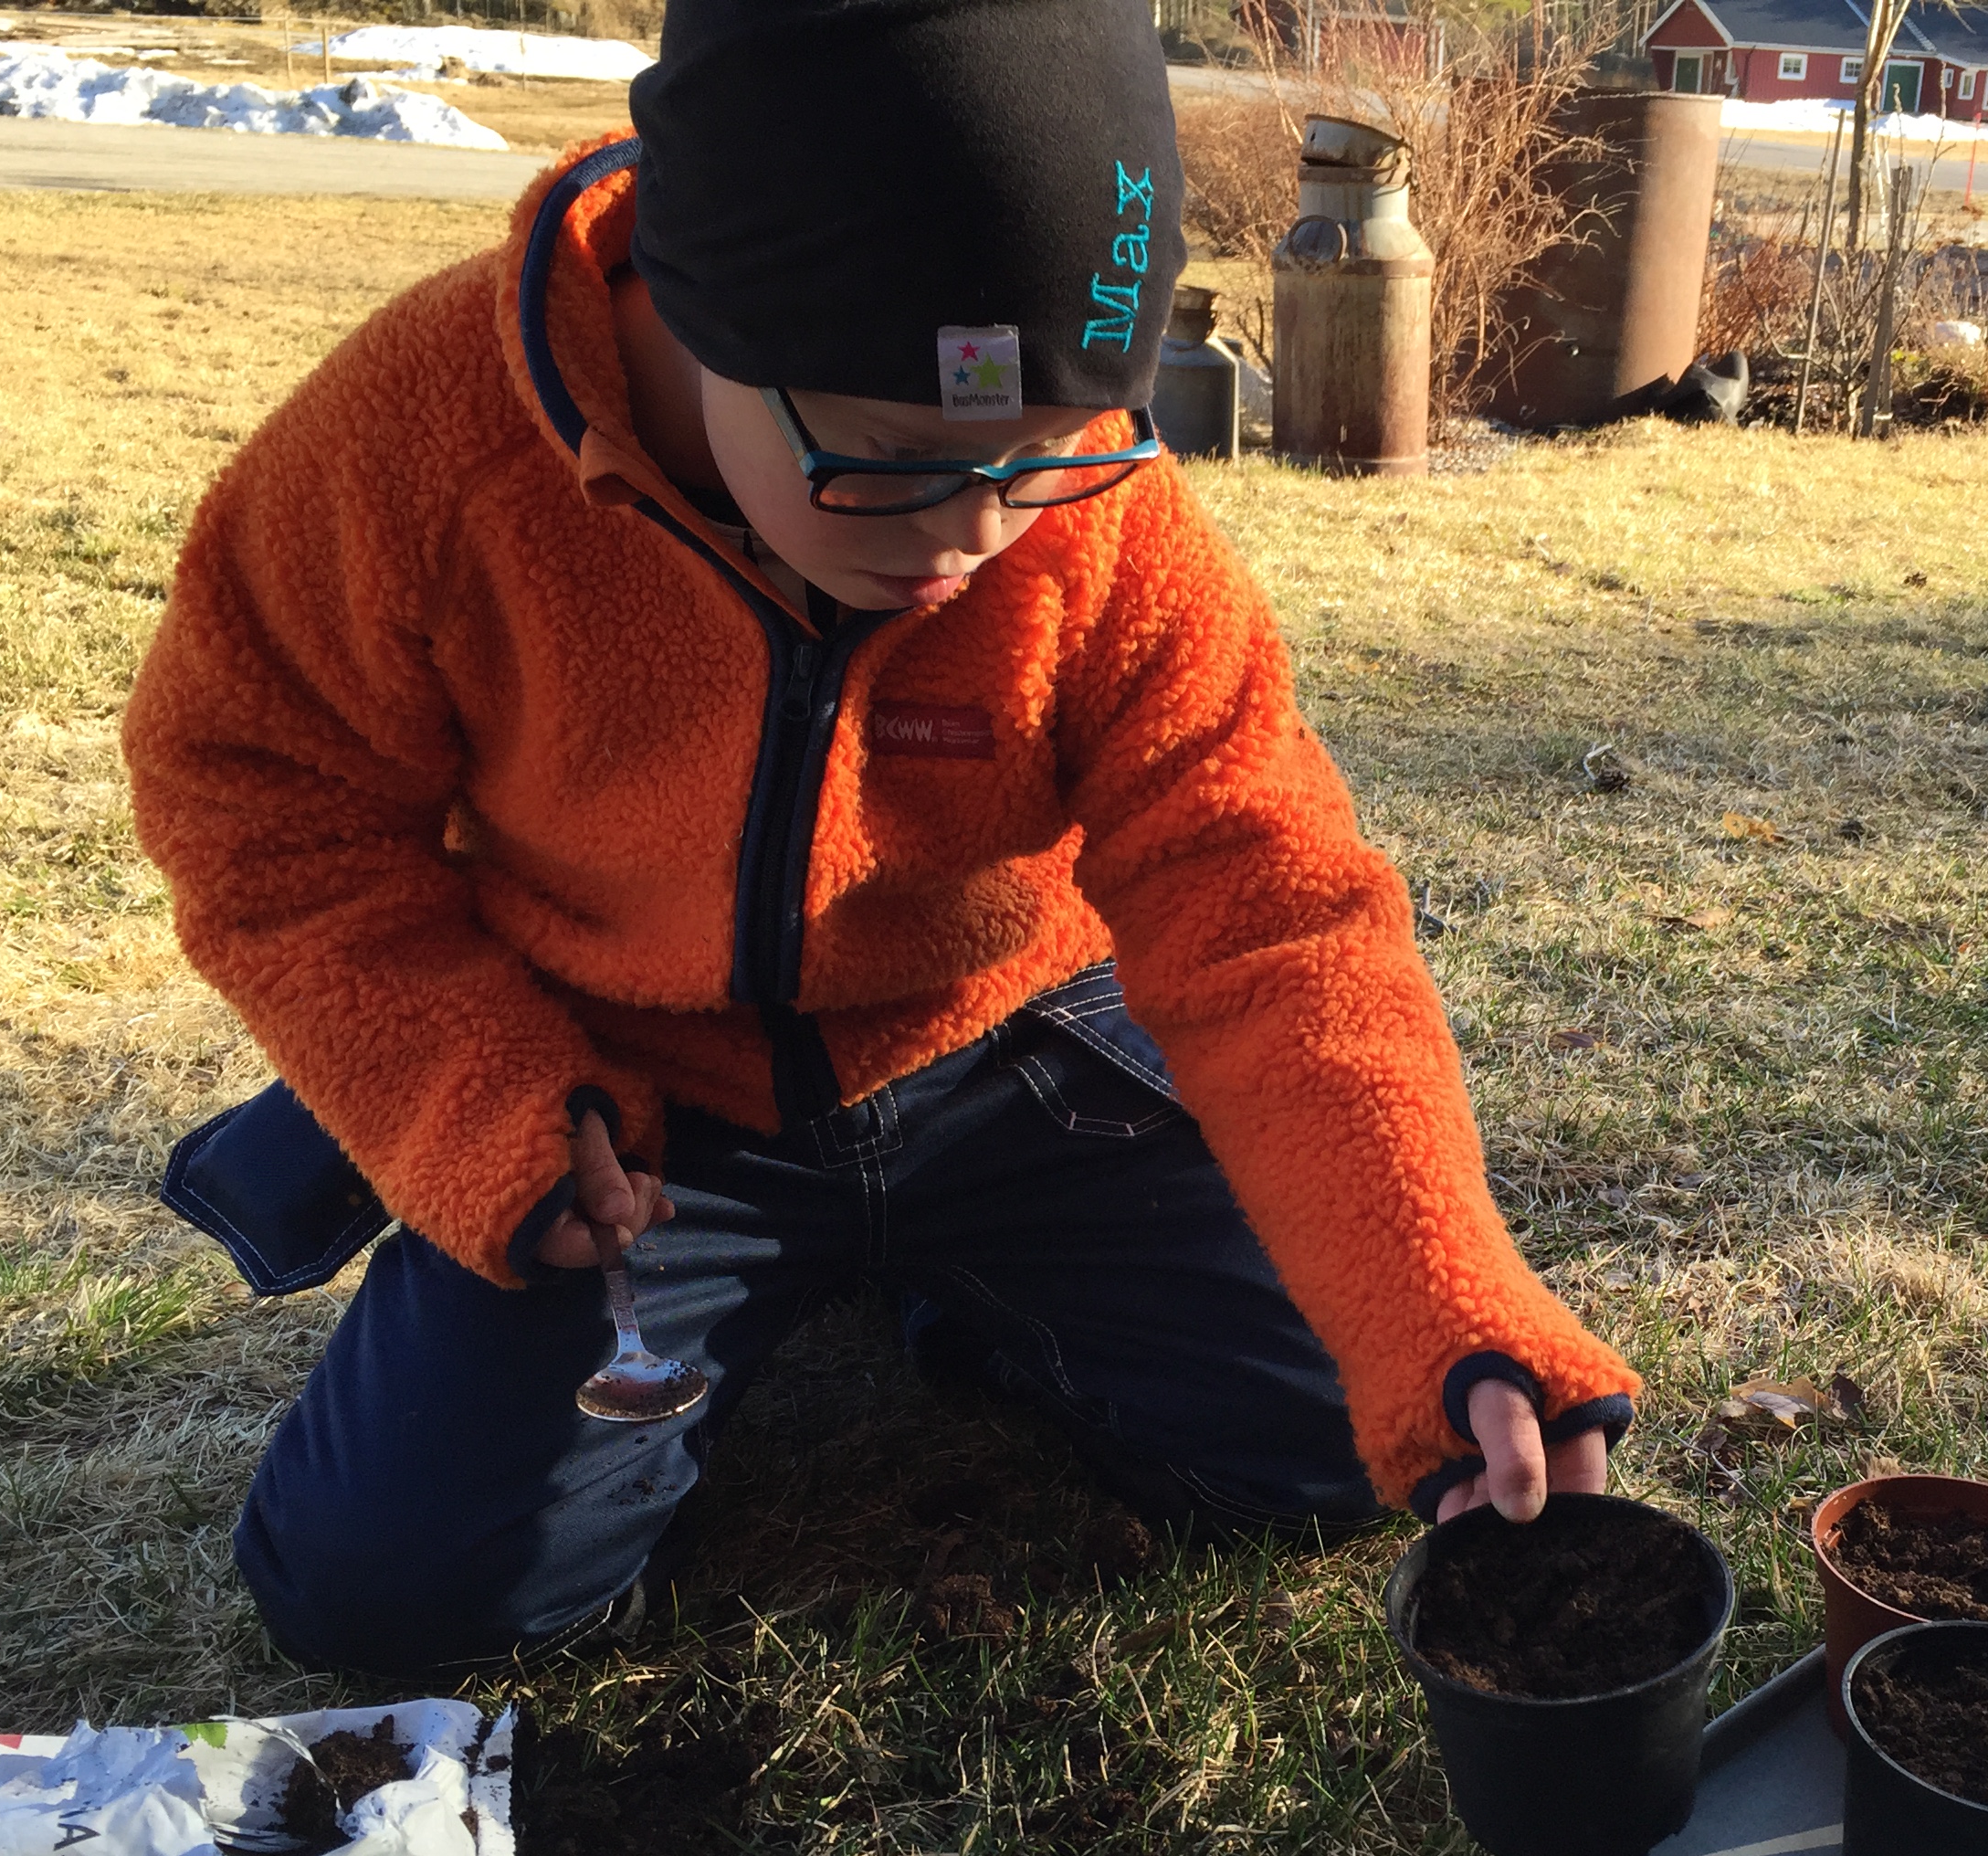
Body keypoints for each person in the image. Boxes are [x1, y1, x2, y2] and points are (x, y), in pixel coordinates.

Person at [121, 0, 1638, 1681]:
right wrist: (470, 1102)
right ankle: (784, 1279)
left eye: (1033, 456)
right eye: (898, 459)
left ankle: (943, 1283)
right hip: (637, 1104)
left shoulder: (1098, 523)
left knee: (1342, 1443)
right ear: (707, 313)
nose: (971, 537)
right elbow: (261, 804)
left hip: (1011, 1052)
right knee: (389, 1594)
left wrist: (1439, 1301)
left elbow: (1268, 908)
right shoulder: (418, 448)